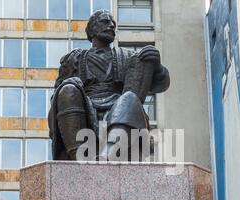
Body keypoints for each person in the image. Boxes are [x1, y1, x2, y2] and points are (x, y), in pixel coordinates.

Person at [48, 10, 170, 161]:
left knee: (130, 98)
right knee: (67, 89)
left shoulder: (128, 57)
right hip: (86, 107)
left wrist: (157, 67)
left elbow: (160, 86)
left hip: (119, 106)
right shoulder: (75, 59)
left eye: (113, 23)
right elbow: (57, 97)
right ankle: (79, 158)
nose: (111, 25)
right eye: (105, 22)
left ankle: (109, 154)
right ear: (91, 29)